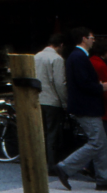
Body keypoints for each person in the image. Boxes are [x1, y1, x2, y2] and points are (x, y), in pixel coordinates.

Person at [53, 28, 107, 191]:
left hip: (85, 105)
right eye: (91, 37)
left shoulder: (77, 56)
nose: (93, 40)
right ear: (84, 39)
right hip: (86, 106)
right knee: (97, 142)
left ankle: (103, 178)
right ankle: (65, 166)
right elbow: (83, 83)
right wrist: (101, 87)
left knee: (100, 142)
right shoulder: (79, 57)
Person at [36, 33, 69, 168]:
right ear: (61, 45)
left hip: (37, 99)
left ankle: (39, 162)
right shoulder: (57, 59)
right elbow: (60, 83)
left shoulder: (36, 56)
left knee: (40, 132)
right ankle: (51, 164)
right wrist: (65, 101)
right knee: (52, 134)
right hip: (52, 100)